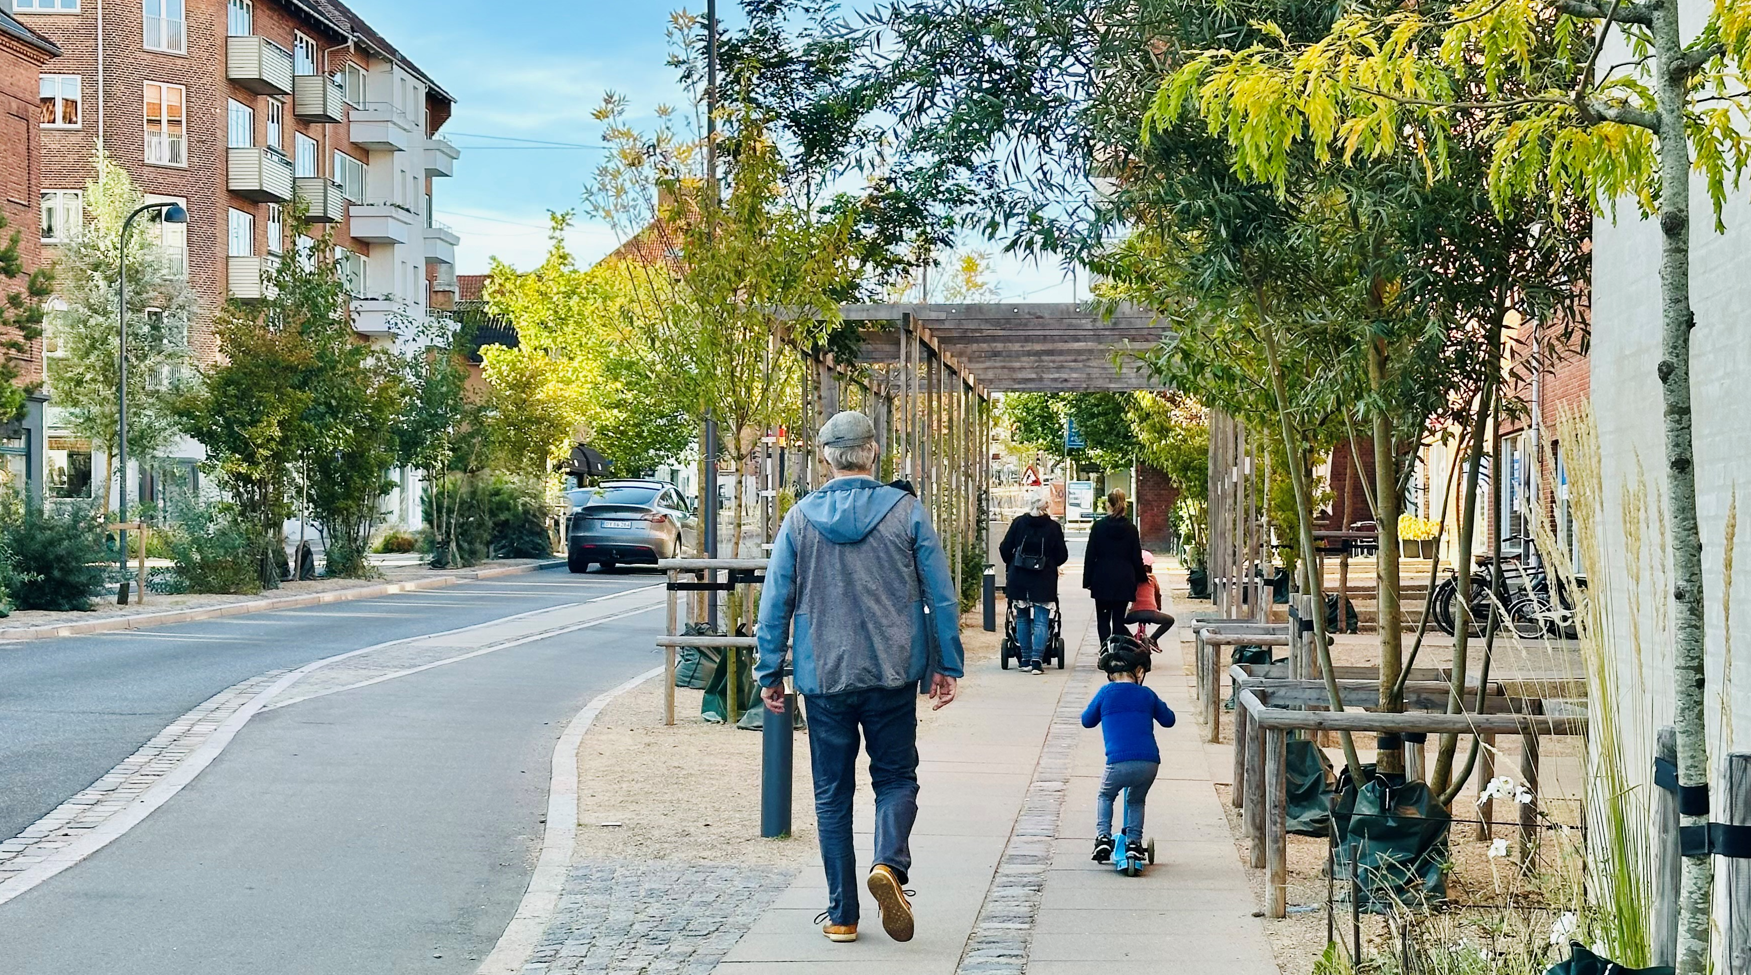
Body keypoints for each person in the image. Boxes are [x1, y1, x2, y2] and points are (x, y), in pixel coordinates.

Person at [755, 410, 965, 946]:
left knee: (832, 795)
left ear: (826, 457)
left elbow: (775, 602)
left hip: (824, 673)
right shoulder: (907, 512)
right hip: (892, 670)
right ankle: (888, 864)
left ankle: (842, 915)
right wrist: (946, 663)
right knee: (895, 778)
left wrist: (770, 669)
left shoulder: (799, 519)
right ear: (873, 452)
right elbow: (940, 594)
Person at [1081, 640, 1176, 865]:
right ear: (1140, 672)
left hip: (1118, 762)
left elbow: (1087, 721)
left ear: (1109, 673)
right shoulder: (1147, 694)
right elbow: (1169, 720)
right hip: (1149, 763)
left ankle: (1103, 838)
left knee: (1106, 795)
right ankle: (1134, 843)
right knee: (1136, 800)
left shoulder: (1105, 693)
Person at [998, 490, 1069, 674]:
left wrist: (1012, 562)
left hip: (1019, 577)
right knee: (1041, 619)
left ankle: (1025, 659)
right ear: (1046, 505)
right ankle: (1037, 661)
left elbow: (1005, 548)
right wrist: (1050, 563)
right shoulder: (1053, 527)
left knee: (1022, 617)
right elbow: (1062, 555)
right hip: (1044, 579)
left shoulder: (1019, 523)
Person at [1083, 489, 1147, 645]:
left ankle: (1105, 649)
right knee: (1118, 620)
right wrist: (1142, 577)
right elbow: (1136, 557)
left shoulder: (1098, 527)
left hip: (1102, 577)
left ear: (1108, 505)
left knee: (1103, 620)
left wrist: (1087, 580)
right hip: (1124, 579)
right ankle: (1117, 651)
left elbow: (1090, 555)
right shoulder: (1131, 529)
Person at [1124, 550, 1176, 647]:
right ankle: (1153, 639)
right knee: (1170, 620)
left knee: (1118, 622)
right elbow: (1157, 595)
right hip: (1151, 613)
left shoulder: (1133, 579)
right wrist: (1158, 607)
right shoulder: (1152, 579)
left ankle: (1131, 640)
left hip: (1135, 613)